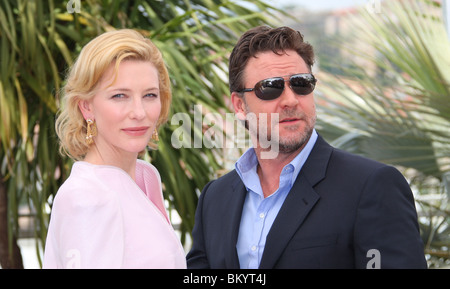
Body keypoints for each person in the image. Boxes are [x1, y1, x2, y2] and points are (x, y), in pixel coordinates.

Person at [186, 26, 427, 269]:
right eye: (270, 87)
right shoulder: (214, 199)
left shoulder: (372, 186)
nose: (290, 100)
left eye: (301, 84)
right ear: (239, 105)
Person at [43, 29, 186, 269]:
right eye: (120, 95)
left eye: (150, 95)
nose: (139, 112)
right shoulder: (86, 197)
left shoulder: (145, 176)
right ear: (86, 107)